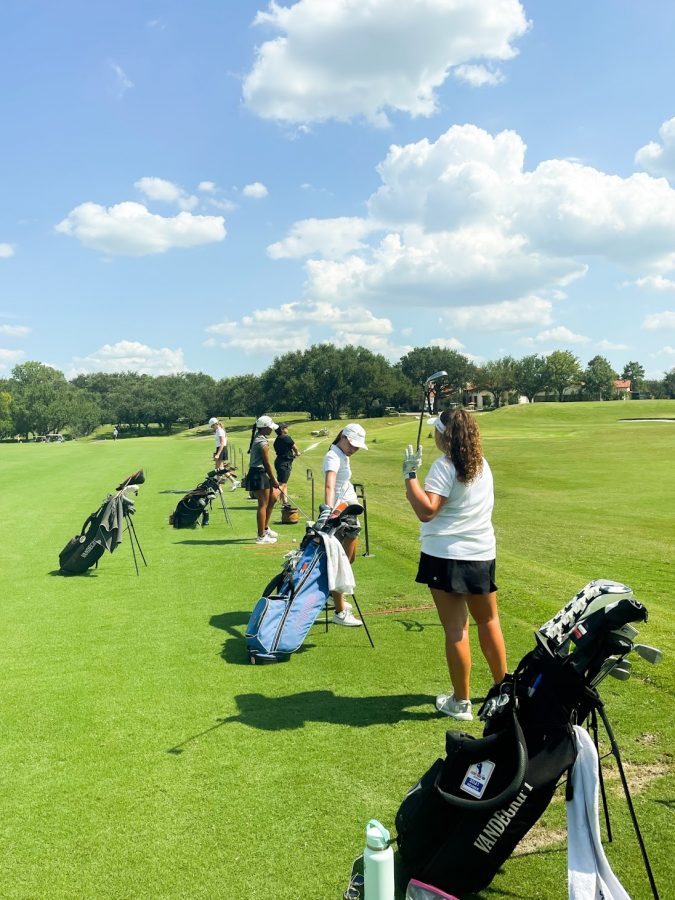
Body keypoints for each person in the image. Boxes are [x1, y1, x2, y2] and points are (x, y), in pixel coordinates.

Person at [402, 408, 507, 721]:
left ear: (445, 435)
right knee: (489, 621)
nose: (433, 434)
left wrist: (409, 477)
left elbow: (427, 511)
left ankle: (461, 703)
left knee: (456, 629)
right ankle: (503, 691)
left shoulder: (444, 466)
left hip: (446, 555)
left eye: (436, 430)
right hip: (481, 553)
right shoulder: (482, 465)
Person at [319, 423, 368, 627]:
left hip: (348, 512)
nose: (355, 449)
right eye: (353, 444)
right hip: (340, 514)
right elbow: (329, 484)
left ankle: (333, 596)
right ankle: (339, 612)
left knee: (348, 559)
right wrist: (328, 511)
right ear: (344, 437)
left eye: (358, 446)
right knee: (340, 564)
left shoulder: (342, 454)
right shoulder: (333, 456)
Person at [247, 415, 280, 544]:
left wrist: (272, 479)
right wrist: (273, 479)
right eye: (270, 428)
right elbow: (267, 464)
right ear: (264, 428)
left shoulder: (260, 438)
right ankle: (261, 536)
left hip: (260, 473)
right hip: (258, 473)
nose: (271, 430)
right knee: (263, 504)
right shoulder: (262, 442)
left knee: (273, 497)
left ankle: (265, 529)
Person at [209, 417, 240, 490]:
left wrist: (218, 454)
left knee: (218, 470)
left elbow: (222, 443)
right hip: (220, 449)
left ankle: (219, 487)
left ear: (216, 424)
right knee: (220, 469)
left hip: (221, 449)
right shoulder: (218, 431)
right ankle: (233, 481)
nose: (212, 427)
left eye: (212, 426)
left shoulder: (220, 431)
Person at [273, 423, 301, 503]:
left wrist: (292, 456)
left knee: (283, 483)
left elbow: (285, 451)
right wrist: (297, 453)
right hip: (284, 464)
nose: (287, 429)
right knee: (282, 484)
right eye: (286, 428)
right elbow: (295, 447)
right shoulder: (286, 438)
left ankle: (285, 503)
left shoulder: (277, 439)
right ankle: (271, 499)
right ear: (282, 429)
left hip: (280, 462)